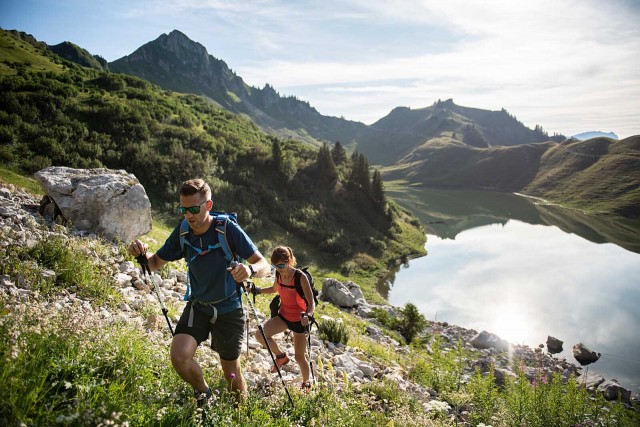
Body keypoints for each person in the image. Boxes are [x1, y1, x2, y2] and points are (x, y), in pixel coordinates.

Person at [128, 178, 270, 405]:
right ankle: (204, 393)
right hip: (199, 306)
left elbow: (264, 264)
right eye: (183, 209)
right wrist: (140, 254)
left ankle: (240, 413)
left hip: (229, 309)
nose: (188, 215)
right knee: (179, 357)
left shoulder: (227, 229)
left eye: (194, 209)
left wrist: (250, 270)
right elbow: (154, 264)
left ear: (208, 205)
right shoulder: (184, 231)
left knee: (231, 369)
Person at [250, 246, 316, 389]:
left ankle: (306, 383)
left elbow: (311, 304)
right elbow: (274, 289)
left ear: (290, 261)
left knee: (299, 357)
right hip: (284, 316)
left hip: (300, 321)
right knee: (260, 334)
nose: (278, 268)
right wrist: (257, 290)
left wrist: (308, 316)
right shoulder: (279, 274)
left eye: (281, 265)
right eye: (275, 266)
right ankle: (281, 357)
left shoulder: (300, 277)